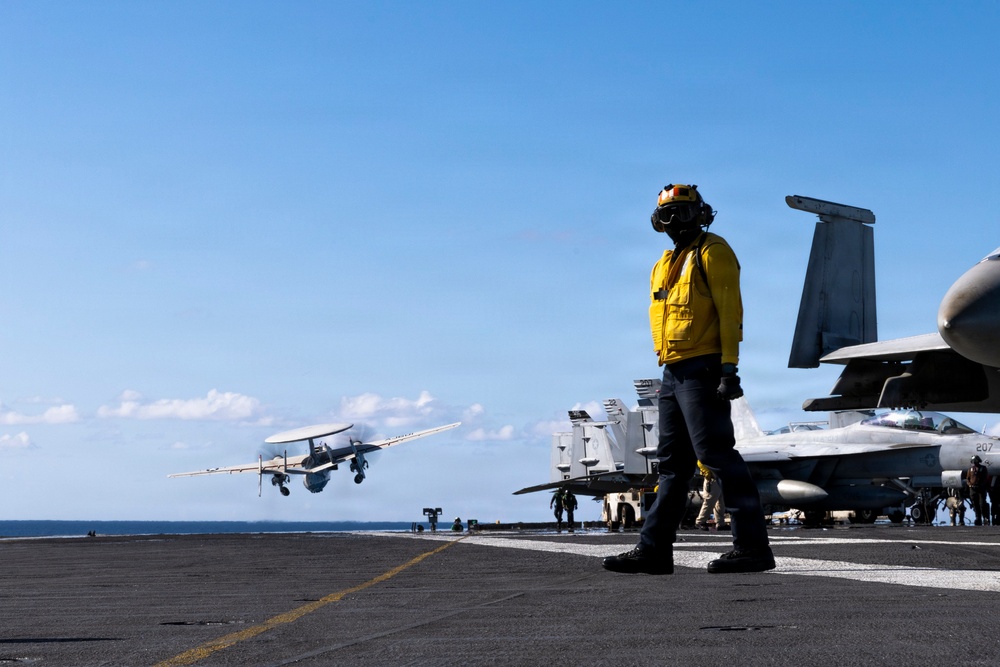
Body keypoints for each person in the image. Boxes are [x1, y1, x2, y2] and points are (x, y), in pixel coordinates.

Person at [603, 183, 774, 575]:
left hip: (705, 368)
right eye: (668, 214)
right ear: (656, 222)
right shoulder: (664, 264)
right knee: (672, 466)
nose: (676, 222)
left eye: (684, 212)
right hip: (673, 371)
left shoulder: (713, 252)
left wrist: (729, 369)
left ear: (701, 213)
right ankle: (654, 551)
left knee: (716, 456)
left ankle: (753, 548)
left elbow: (730, 314)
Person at [695, 461, 725, 530]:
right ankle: (700, 521)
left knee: (721, 501)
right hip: (712, 478)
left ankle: (720, 523)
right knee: (709, 500)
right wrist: (707, 473)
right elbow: (700, 461)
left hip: (720, 477)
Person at [967, 456, 990, 526]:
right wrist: (970, 485)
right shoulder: (970, 469)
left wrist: (982, 485)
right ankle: (978, 518)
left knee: (982, 504)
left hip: (981, 489)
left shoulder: (983, 468)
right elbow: (968, 478)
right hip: (973, 489)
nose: (974, 463)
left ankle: (985, 517)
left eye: (975, 461)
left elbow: (986, 478)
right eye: (973, 461)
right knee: (975, 505)